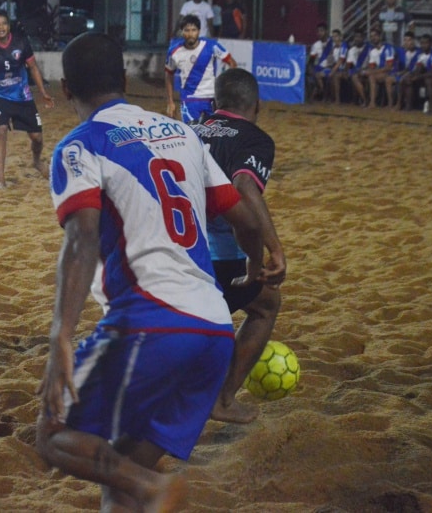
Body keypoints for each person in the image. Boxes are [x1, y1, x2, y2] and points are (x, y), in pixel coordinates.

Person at [36, 31, 264, 512]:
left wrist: (61, 333)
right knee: (121, 475)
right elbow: (241, 214)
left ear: (64, 88)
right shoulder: (182, 132)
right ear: (124, 79)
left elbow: (80, 239)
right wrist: (257, 268)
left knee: (54, 435)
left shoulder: (80, 145)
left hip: (150, 323)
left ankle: (157, 490)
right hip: (214, 333)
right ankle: (146, 490)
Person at [190, 68, 286, 424]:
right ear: (257, 105)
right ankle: (223, 400)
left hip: (172, 245)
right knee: (266, 306)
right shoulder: (255, 138)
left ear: (215, 104)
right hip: (218, 258)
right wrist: (273, 249)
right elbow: (245, 187)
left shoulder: (190, 130)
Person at [0, 10, 54, 187]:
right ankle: (1, 181)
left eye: (3, 23)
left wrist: (43, 93)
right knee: (1, 131)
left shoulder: (21, 42)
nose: (1, 27)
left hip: (23, 96)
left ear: (8, 26)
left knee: (37, 137)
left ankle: (36, 161)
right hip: (0, 97)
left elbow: (33, 67)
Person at [165, 15, 237, 124]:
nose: (190, 34)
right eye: (187, 30)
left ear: (199, 31)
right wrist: (170, 101)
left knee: (214, 134)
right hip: (189, 100)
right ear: (182, 32)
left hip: (211, 99)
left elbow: (232, 63)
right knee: (192, 133)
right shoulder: (174, 51)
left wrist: (225, 86)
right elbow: (168, 74)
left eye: (193, 30)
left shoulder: (211, 46)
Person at [355, 28, 395, 109]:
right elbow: (372, 66)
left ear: (380, 37)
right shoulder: (373, 51)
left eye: (375, 36)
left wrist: (372, 72)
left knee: (372, 77)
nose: (373, 38)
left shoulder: (388, 48)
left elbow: (389, 67)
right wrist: (365, 71)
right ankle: (366, 100)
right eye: (371, 36)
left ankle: (374, 103)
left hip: (391, 72)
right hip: (380, 73)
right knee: (359, 76)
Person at [335, 30, 369, 105]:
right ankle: (338, 100)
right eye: (355, 37)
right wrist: (345, 72)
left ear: (363, 38)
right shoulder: (352, 50)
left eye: (359, 37)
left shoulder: (369, 49)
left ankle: (364, 100)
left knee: (355, 77)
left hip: (368, 70)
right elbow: (349, 64)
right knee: (340, 76)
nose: (357, 39)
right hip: (356, 71)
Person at [388, 31, 421, 111]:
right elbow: (400, 65)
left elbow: (414, 68)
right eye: (405, 40)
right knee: (389, 79)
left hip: (417, 74)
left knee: (403, 80)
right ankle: (391, 103)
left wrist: (403, 73)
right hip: (406, 73)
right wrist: (398, 72)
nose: (406, 42)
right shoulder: (404, 52)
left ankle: (400, 104)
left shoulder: (419, 52)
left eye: (409, 40)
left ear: (413, 41)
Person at [314, 28, 347, 103]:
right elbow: (331, 59)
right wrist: (327, 67)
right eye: (333, 37)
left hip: (341, 69)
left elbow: (340, 61)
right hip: (333, 67)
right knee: (318, 75)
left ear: (340, 37)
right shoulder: (333, 46)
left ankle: (337, 99)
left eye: (336, 36)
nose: (334, 38)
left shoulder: (344, 46)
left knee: (333, 76)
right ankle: (324, 94)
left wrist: (332, 71)